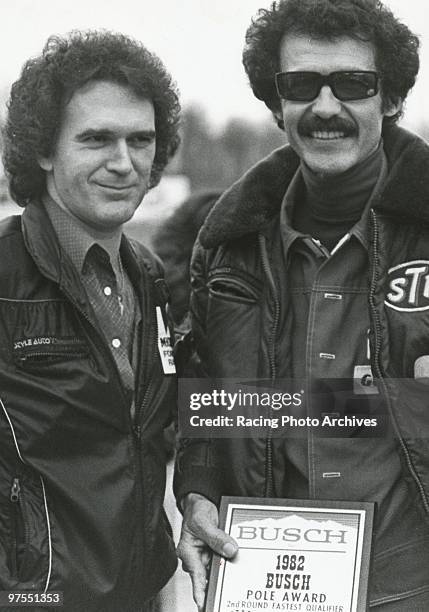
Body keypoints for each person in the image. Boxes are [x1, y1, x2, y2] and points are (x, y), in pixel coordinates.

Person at [173, 0, 429, 609]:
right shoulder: (226, 243)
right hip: (268, 584)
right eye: (300, 85)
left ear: (390, 99)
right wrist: (198, 490)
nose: (324, 107)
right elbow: (211, 396)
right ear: (274, 101)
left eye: (353, 84)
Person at [0, 31, 180, 612]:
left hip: (144, 593)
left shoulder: (151, 277)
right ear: (44, 150)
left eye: (141, 140)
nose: (123, 162)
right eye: (97, 139)